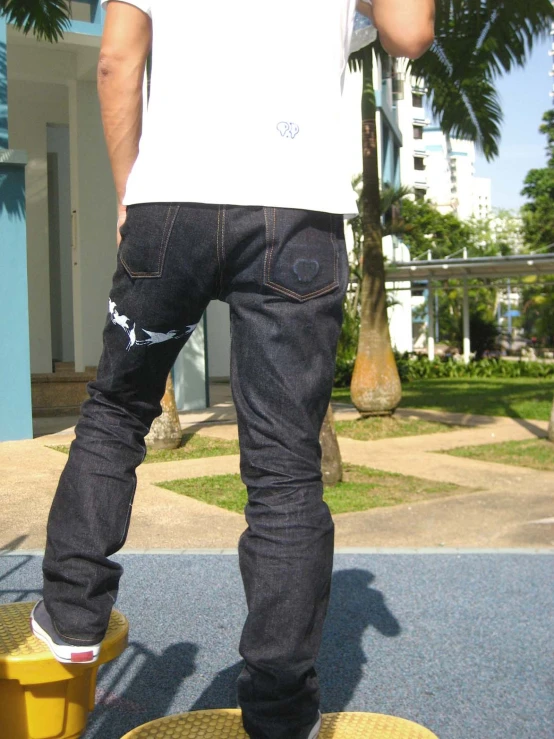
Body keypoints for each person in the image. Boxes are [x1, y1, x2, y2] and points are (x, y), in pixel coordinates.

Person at [30, 1, 434, 737]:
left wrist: (129, 191)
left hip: (171, 205)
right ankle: (279, 707)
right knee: (283, 467)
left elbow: (118, 61)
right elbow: (411, 31)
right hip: (294, 215)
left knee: (118, 410)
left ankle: (71, 615)